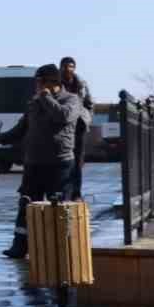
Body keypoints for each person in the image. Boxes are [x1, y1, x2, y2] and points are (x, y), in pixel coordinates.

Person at [0, 63, 83, 259]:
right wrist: (0, 138)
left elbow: (63, 117)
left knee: (57, 206)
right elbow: (21, 128)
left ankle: (58, 248)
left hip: (59, 163)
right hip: (34, 163)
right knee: (26, 203)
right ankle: (20, 246)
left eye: (39, 82)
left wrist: (46, 97)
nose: (36, 86)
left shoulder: (71, 100)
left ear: (52, 82)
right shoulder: (34, 102)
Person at [59, 56, 94, 200]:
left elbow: (89, 103)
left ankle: (76, 193)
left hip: (78, 126)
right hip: (63, 126)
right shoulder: (56, 83)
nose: (68, 69)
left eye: (71, 66)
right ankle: (64, 191)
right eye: (66, 66)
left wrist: (87, 118)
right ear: (60, 67)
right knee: (64, 160)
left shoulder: (81, 84)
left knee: (78, 161)